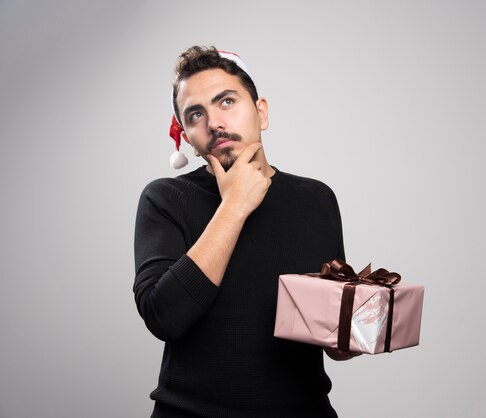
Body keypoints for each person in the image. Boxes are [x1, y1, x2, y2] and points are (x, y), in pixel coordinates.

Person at [133, 46, 358, 418]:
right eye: (195, 114)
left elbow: (327, 320)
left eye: (226, 101)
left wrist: (345, 338)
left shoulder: (316, 199)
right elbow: (164, 316)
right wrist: (234, 206)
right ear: (187, 136)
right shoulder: (165, 199)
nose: (214, 123)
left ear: (261, 111)